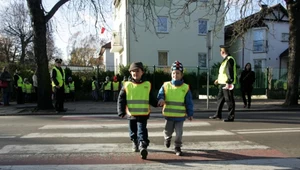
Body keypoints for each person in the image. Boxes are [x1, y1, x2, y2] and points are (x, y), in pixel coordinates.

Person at [117, 62, 158, 160]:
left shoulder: (147, 85)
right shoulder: (127, 85)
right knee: (133, 130)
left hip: (143, 113)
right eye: (133, 71)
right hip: (131, 113)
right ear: (130, 73)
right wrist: (121, 111)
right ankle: (134, 141)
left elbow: (151, 98)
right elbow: (121, 99)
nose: (135, 73)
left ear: (142, 72)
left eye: (137, 71)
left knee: (142, 131)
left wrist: (157, 104)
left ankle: (143, 146)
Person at [157, 61, 193, 156]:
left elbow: (189, 102)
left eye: (177, 73)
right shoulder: (166, 85)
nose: (175, 75)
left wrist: (190, 113)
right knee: (167, 131)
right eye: (173, 73)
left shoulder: (185, 88)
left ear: (181, 75)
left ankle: (177, 147)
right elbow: (161, 94)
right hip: (168, 115)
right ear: (171, 74)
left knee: (179, 134)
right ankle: (167, 139)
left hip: (180, 117)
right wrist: (161, 99)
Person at [209, 45, 237, 122]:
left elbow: (229, 72)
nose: (220, 53)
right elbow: (223, 72)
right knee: (220, 99)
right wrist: (218, 80)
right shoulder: (225, 60)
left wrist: (229, 82)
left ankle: (231, 117)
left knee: (229, 100)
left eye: (220, 51)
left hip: (227, 84)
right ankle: (218, 114)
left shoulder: (229, 60)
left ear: (223, 52)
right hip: (222, 83)